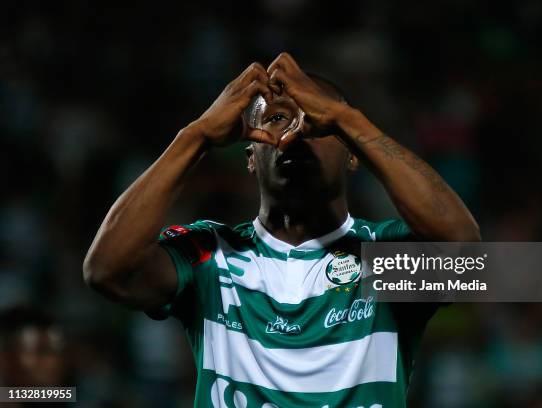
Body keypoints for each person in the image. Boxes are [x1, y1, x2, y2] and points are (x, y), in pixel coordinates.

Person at [83, 52, 480, 407]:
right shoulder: (210, 254)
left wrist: (347, 118)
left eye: (318, 123)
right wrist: (197, 136)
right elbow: (105, 272)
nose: (295, 134)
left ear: (353, 154)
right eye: (277, 119)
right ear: (251, 157)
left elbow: (467, 257)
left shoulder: (382, 258)